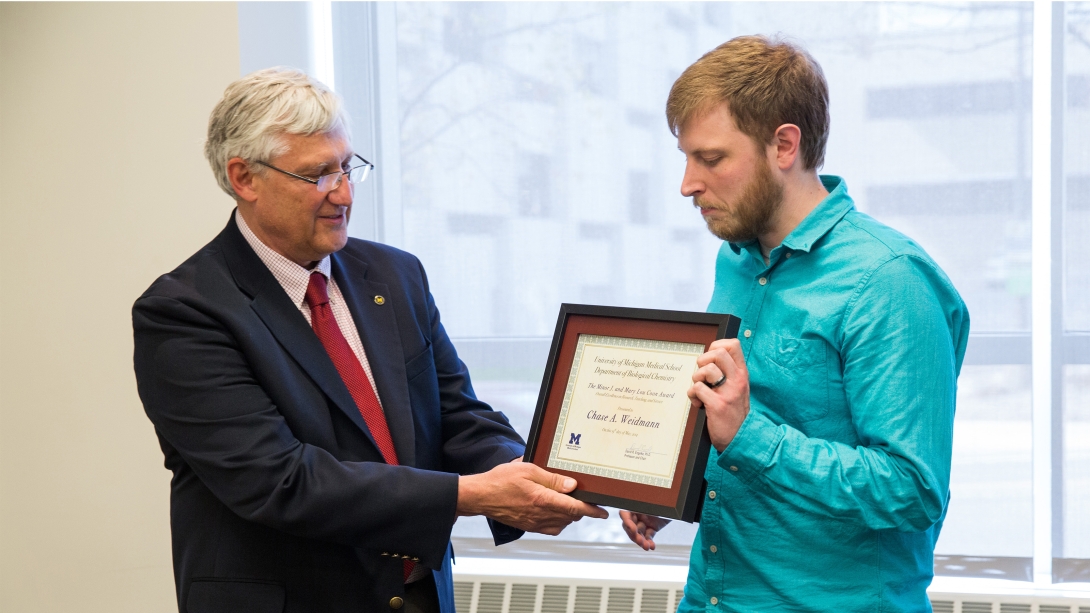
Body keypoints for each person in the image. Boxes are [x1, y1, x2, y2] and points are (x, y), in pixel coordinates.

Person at [133, 68, 607, 613]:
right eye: (317, 175)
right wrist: (473, 495)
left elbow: (457, 416)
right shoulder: (184, 312)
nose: (344, 193)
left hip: (417, 595)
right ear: (244, 178)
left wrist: (539, 477)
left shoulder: (394, 275)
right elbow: (279, 480)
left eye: (347, 167)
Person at [620, 36, 970, 612]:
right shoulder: (734, 259)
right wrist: (674, 480)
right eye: (685, 158)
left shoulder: (890, 281)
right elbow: (739, 423)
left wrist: (748, 437)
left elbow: (912, 491)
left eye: (710, 159)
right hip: (713, 598)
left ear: (784, 145)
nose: (687, 184)